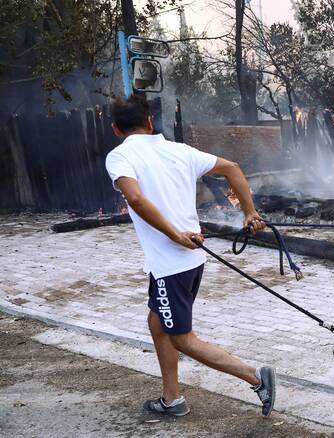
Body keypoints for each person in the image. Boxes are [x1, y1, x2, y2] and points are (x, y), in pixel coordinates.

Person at [105, 94, 275, 417]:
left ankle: (257, 378)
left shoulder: (118, 157)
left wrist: (174, 235)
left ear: (116, 129)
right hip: (188, 261)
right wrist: (249, 212)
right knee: (157, 323)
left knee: (182, 338)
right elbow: (233, 169)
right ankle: (172, 399)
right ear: (150, 122)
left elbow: (136, 199)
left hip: (173, 265)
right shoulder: (179, 151)